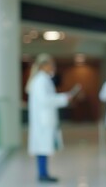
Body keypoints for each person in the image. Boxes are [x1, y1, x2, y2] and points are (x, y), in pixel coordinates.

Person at [26, 53, 79, 183]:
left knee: (43, 147)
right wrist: (64, 98)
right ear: (44, 65)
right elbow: (46, 100)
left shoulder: (42, 79)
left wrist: (63, 97)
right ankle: (43, 174)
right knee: (42, 147)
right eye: (51, 64)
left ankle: (43, 173)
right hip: (43, 121)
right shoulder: (41, 80)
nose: (53, 66)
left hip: (43, 120)